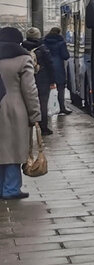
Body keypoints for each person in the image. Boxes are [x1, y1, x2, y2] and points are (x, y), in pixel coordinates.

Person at [0, 26, 41, 199]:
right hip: (15, 108)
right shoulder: (23, 58)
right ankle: (10, 189)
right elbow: (30, 90)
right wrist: (35, 115)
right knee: (13, 148)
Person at [23, 28, 54, 136]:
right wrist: (52, 80)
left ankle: (27, 126)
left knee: (26, 103)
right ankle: (44, 127)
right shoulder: (42, 48)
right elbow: (50, 64)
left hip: (27, 78)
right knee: (42, 103)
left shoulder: (22, 48)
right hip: (43, 79)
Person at [42, 27, 71, 116]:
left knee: (46, 89)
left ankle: (46, 109)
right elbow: (65, 56)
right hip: (58, 67)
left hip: (47, 67)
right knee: (60, 88)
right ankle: (62, 108)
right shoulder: (61, 43)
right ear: (59, 33)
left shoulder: (44, 42)